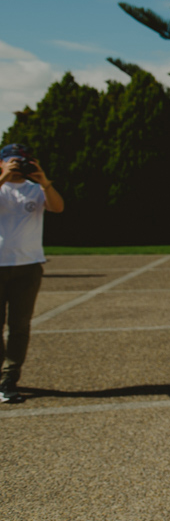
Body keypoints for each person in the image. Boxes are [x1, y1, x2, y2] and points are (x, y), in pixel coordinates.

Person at [0, 143, 64, 404]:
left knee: (20, 326)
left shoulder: (35, 190)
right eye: (13, 161)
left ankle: (8, 378)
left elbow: (58, 208)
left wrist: (44, 182)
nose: (18, 166)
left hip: (28, 266)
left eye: (23, 161)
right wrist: (3, 178)